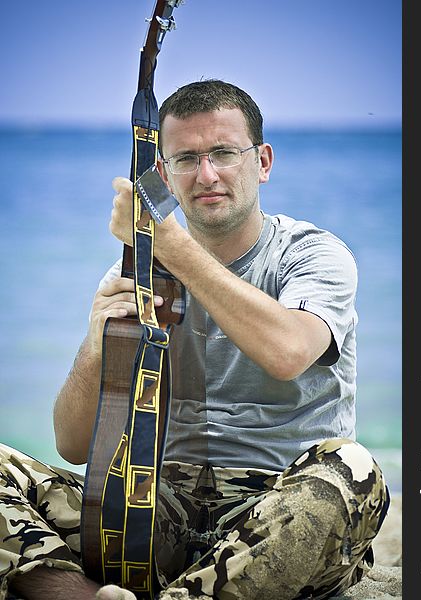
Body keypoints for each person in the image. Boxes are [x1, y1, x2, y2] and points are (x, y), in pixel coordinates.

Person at [0, 80, 389, 600]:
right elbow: (73, 445)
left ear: (263, 162)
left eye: (224, 153)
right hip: (157, 514)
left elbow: (289, 352)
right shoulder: (143, 274)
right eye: (186, 159)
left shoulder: (313, 256)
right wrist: (97, 343)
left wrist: (173, 246)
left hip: (276, 513)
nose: (207, 174)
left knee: (352, 468)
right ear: (162, 176)